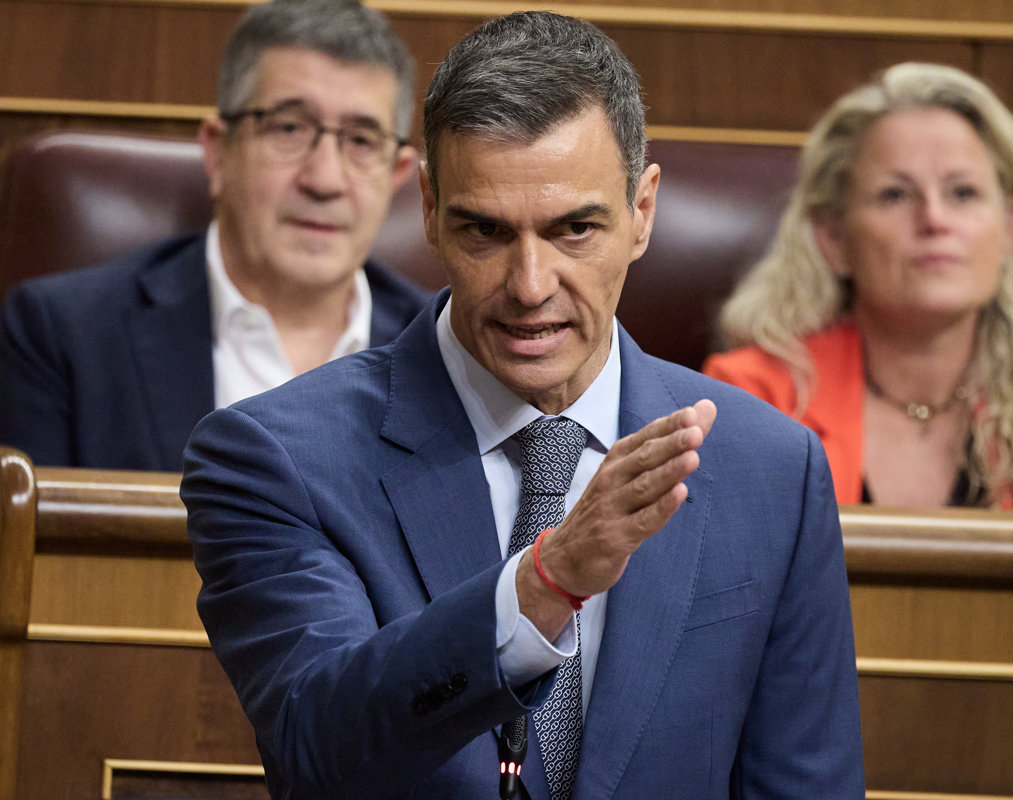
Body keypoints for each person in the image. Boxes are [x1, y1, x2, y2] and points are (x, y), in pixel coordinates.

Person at [182, 11, 863, 799]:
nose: (531, 286)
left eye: (574, 229)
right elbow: (317, 751)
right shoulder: (277, 459)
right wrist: (545, 584)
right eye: (486, 231)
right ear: (430, 209)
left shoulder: (771, 468)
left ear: (642, 212)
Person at [0, 0, 428, 471]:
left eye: (362, 141)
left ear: (397, 174)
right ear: (219, 152)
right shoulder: (61, 335)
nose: (325, 180)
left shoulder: (445, 350)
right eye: (289, 128)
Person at [703, 62, 1013, 514]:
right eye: (895, 194)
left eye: (963, 192)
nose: (934, 219)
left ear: (1010, 228)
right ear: (834, 238)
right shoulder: (752, 397)